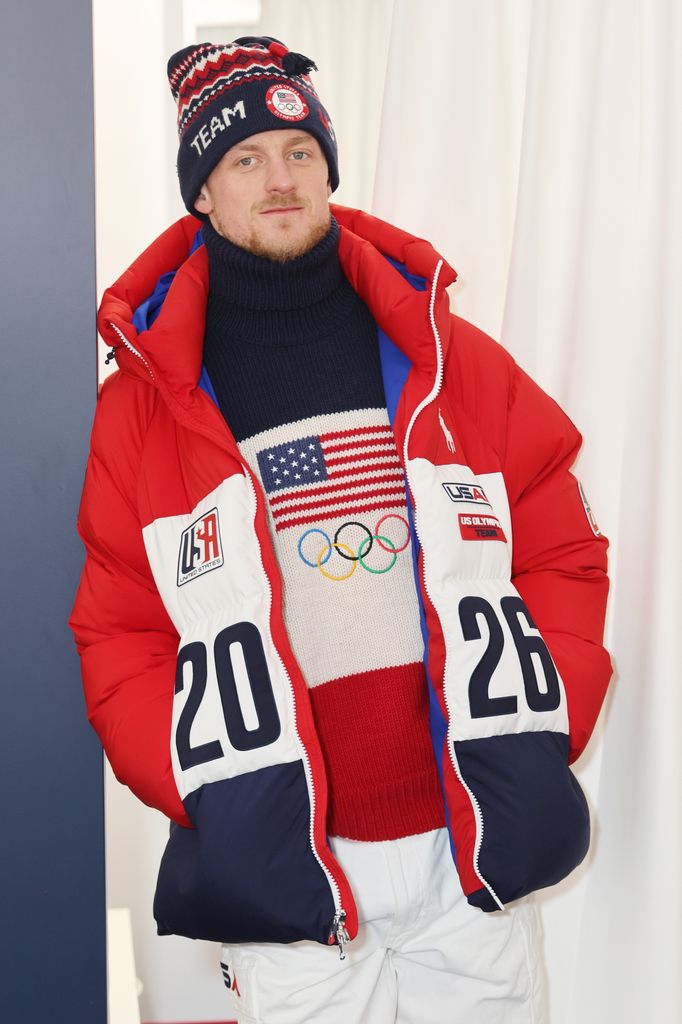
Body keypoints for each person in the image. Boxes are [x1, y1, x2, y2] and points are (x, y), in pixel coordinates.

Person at [70, 36, 611, 1023]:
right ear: (201, 190)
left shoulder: (445, 357)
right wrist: (207, 785)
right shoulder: (143, 406)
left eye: (298, 152)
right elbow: (118, 632)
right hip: (291, 866)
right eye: (244, 158)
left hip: (467, 844)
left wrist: (541, 724)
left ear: (326, 167)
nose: (278, 179)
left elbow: (562, 551)